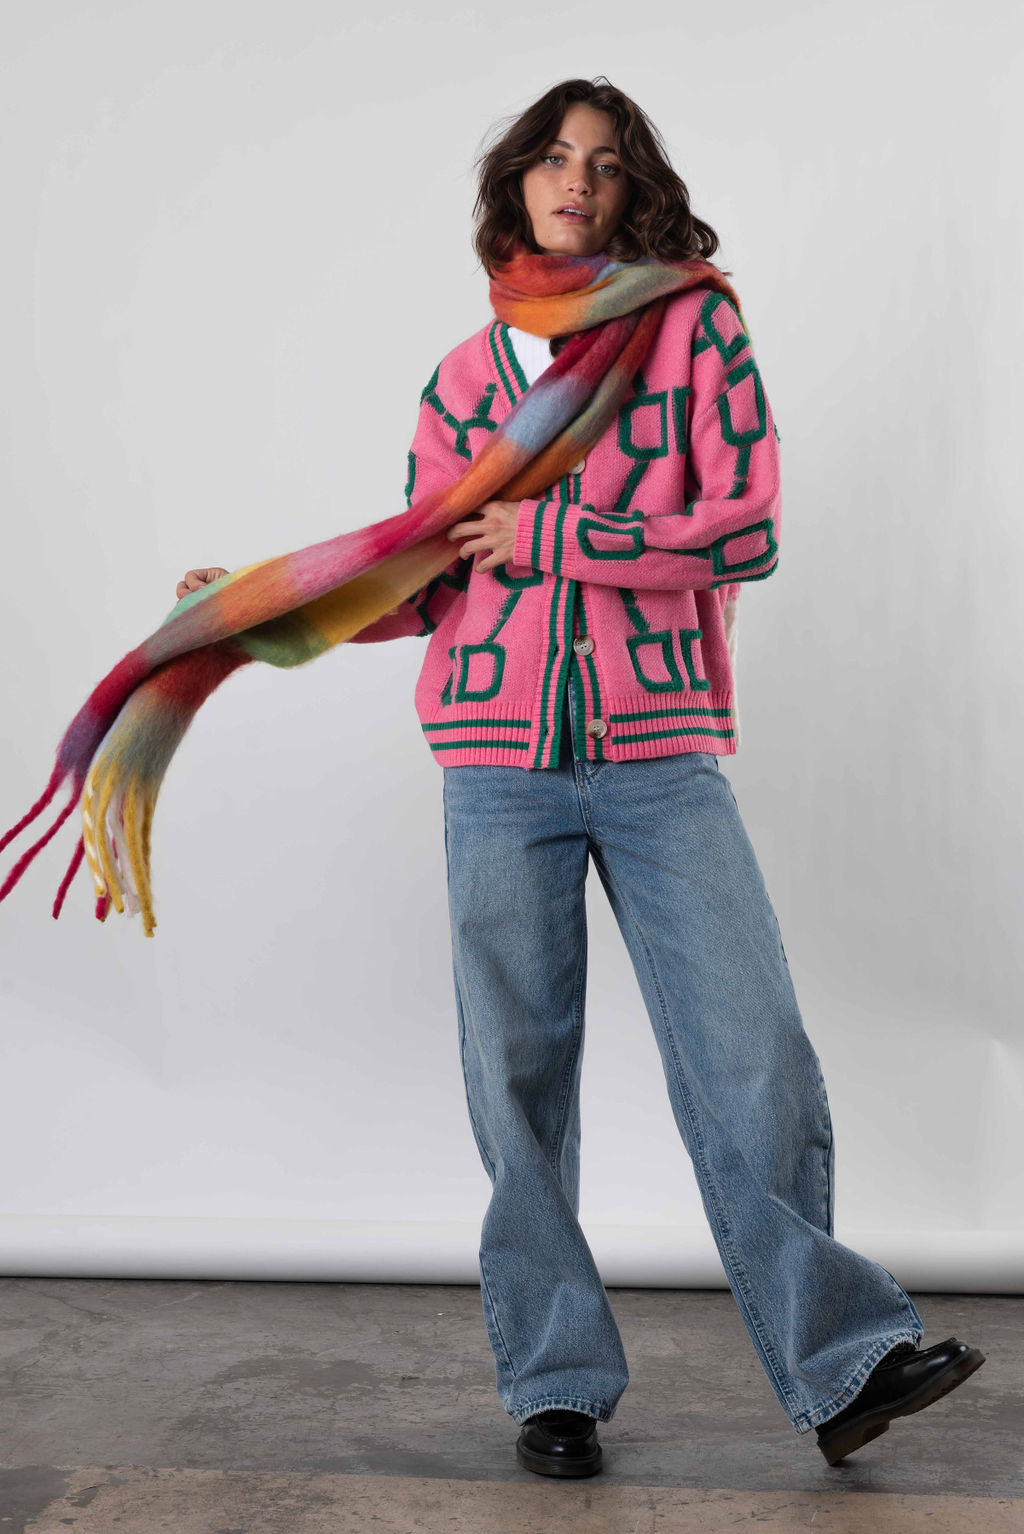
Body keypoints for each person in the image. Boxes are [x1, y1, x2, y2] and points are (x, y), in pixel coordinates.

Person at [177, 78, 985, 1480]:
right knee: (518, 1079)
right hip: (496, 766)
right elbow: (427, 581)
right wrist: (260, 606)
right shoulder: (461, 377)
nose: (576, 180)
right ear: (516, 185)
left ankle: (845, 1363)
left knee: (755, 1054)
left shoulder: (695, 333)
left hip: (662, 756)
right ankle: (553, 1380)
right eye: (553, 157)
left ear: (633, 192)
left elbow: (745, 531)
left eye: (605, 164)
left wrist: (559, 535)